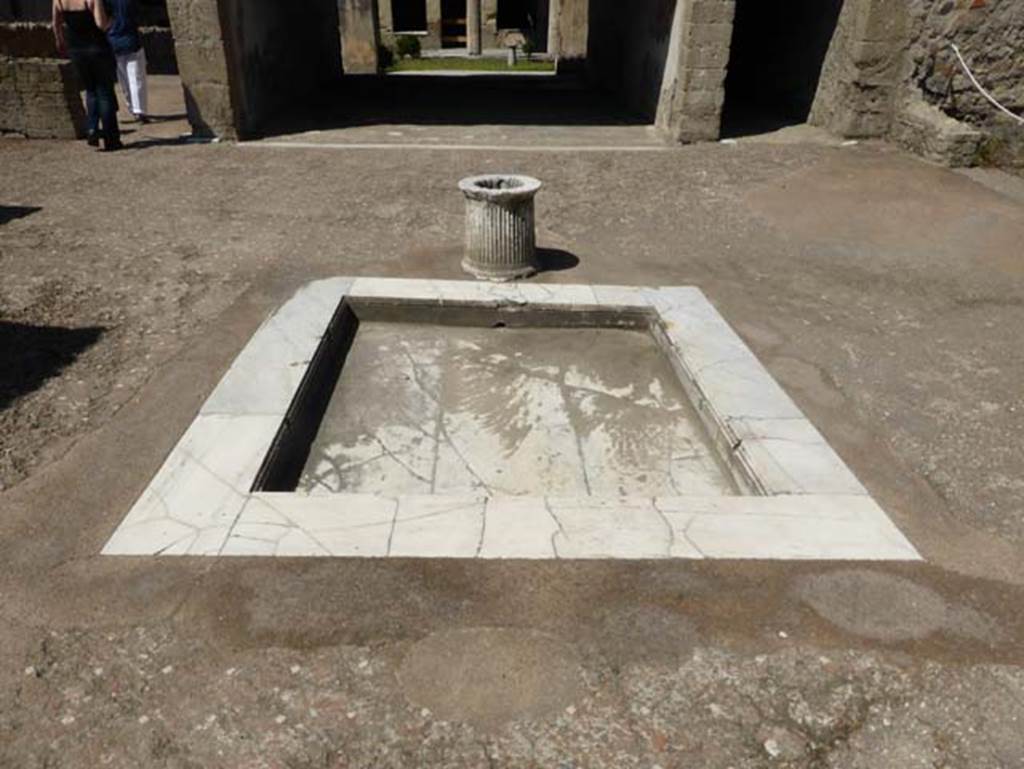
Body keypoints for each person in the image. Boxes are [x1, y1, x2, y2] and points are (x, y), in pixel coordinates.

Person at [52, 0, 122, 151]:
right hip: (97, 48)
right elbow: (101, 24)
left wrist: (60, 41)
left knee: (91, 91)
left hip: (76, 50)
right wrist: (112, 21)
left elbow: (56, 24)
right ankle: (111, 139)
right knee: (104, 93)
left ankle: (92, 129)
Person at [106, 0, 148, 123]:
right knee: (136, 78)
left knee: (123, 79)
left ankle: (132, 107)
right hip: (131, 39)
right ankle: (139, 110)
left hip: (113, 41)